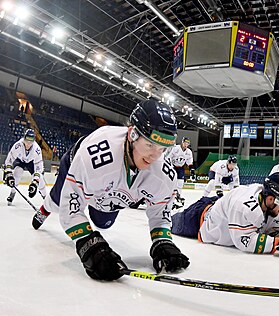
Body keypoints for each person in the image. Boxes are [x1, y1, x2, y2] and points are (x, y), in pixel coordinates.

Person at [31, 99, 190, 281]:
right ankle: (44, 209)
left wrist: (163, 241)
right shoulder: (93, 157)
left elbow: (160, 213)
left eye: (162, 149)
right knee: (58, 200)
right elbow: (70, 208)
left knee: (103, 223)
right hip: (75, 164)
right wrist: (88, 244)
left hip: (105, 189)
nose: (155, 156)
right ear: (132, 134)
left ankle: (95, 202)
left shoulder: (162, 173)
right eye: (150, 145)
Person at [171, 172, 279, 255]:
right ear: (271, 199)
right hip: (198, 218)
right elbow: (245, 242)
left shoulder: (276, 208)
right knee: (170, 222)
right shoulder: (244, 208)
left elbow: (273, 233)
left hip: (223, 204)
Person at [4, 128, 47, 205]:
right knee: (17, 172)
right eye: (27, 140)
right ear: (24, 138)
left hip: (31, 163)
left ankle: (45, 197)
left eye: (31, 141)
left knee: (41, 180)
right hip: (20, 161)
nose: (28, 143)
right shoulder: (17, 146)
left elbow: (39, 168)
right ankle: (12, 193)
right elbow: (9, 160)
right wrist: (9, 174)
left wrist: (35, 182)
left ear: (34, 140)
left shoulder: (37, 149)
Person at [165, 136, 194, 208]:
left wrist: (192, 170)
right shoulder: (176, 148)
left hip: (181, 167)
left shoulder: (189, 152)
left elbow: (189, 162)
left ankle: (177, 196)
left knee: (180, 183)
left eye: (187, 143)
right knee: (170, 182)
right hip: (173, 166)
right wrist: (169, 166)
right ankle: (167, 195)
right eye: (185, 142)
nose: (186, 144)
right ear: (182, 142)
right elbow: (169, 157)